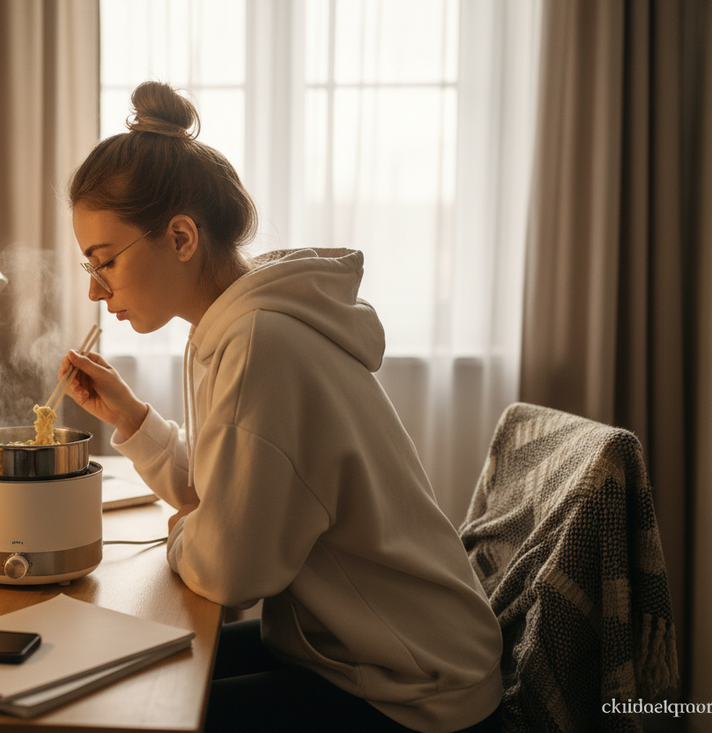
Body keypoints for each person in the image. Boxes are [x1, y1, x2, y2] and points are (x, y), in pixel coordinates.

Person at [60, 81, 503, 733]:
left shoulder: (260, 342)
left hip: (414, 688)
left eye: (104, 263)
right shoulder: (236, 324)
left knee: (135, 711)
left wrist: (186, 532)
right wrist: (132, 419)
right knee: (131, 674)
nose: (96, 292)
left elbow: (230, 569)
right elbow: (226, 494)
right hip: (353, 650)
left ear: (180, 237)